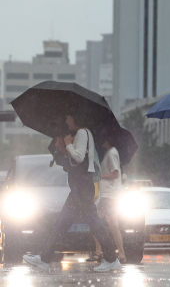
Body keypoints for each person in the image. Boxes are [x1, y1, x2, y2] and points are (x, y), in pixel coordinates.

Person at [23, 113, 121, 272]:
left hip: (82, 188)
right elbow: (75, 164)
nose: (66, 121)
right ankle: (44, 258)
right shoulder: (84, 134)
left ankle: (111, 258)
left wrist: (67, 145)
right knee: (61, 223)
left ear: (76, 118)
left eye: (68, 118)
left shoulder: (83, 133)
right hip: (80, 187)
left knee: (93, 224)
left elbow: (79, 158)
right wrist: (63, 150)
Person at [92, 136, 126, 263]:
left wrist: (100, 176)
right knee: (112, 225)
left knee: (96, 222)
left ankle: (99, 251)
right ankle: (119, 253)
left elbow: (115, 173)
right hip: (111, 196)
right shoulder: (112, 153)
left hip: (109, 196)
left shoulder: (111, 154)